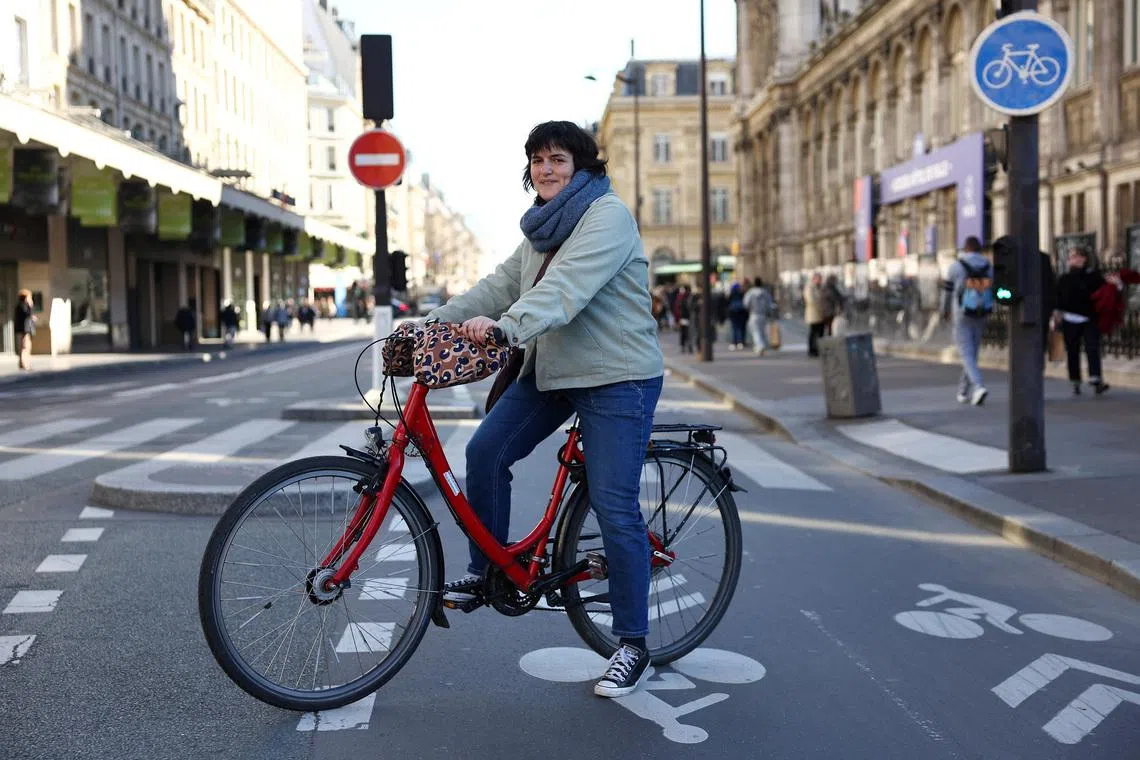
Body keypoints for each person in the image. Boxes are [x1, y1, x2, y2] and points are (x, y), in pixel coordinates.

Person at [424, 121, 664, 698]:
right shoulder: (539, 230)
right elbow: (500, 284)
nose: (546, 169)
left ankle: (632, 643)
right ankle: (489, 574)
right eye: (537, 160)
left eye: (558, 158)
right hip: (554, 372)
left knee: (613, 506)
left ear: (582, 167)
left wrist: (506, 330)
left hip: (616, 376)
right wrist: (432, 323)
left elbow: (565, 292)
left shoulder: (606, 217)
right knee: (484, 452)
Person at [941, 236, 993, 405]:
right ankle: (963, 391)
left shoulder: (956, 266)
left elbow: (947, 292)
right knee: (972, 352)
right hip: (982, 311)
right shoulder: (988, 266)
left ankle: (978, 386)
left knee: (965, 352)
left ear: (965, 249)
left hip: (962, 313)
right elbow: (996, 288)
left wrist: (945, 311)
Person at [1054, 246, 1110, 396]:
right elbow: (1058, 298)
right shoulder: (1064, 278)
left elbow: (1104, 293)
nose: (1075, 259)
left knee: (1092, 347)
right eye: (1072, 257)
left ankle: (1096, 378)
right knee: (1073, 351)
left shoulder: (1094, 277)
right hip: (1070, 318)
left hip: (1090, 317)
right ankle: (1075, 381)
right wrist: (1057, 313)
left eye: (1078, 256)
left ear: (1084, 259)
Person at [743, 277, 773, 356]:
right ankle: (761, 345)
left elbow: (746, 303)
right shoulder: (765, 292)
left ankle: (760, 346)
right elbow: (769, 304)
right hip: (763, 314)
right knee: (762, 331)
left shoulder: (750, 292)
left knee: (756, 332)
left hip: (754, 314)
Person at [804, 273, 826, 357]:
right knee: (813, 332)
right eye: (818, 279)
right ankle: (812, 350)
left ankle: (818, 349)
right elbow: (811, 300)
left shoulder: (820, 287)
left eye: (820, 279)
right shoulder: (809, 287)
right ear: (814, 279)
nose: (820, 281)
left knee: (820, 332)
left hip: (820, 313)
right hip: (813, 313)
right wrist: (820, 306)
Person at [13, 289, 36, 371]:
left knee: (23, 347)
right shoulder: (23, 306)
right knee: (25, 347)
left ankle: (22, 363)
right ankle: (25, 364)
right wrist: (30, 305)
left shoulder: (19, 306)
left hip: (22, 329)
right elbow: (27, 315)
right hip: (24, 330)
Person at [726, 282, 748, 350]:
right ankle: (741, 342)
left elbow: (727, 303)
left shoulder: (731, 295)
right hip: (741, 313)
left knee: (734, 328)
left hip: (733, 313)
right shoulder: (742, 294)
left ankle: (734, 342)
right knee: (741, 328)